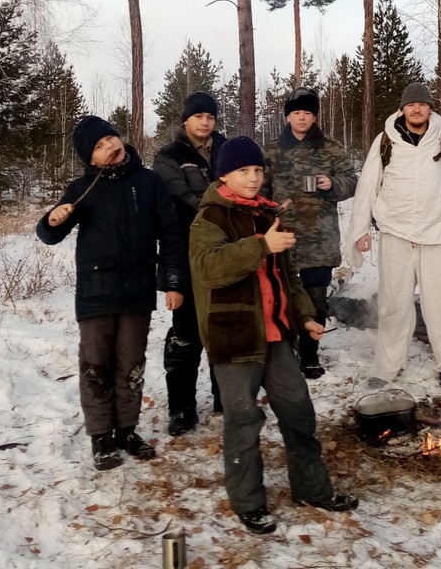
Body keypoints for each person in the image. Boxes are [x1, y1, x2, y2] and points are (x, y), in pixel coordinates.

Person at [189, 136, 358, 535]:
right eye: (243, 171)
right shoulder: (209, 219)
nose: (252, 177)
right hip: (235, 337)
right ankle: (248, 502)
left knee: (298, 411)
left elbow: (289, 279)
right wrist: (260, 246)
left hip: (277, 335)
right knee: (243, 420)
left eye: (257, 170)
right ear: (224, 175)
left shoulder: (268, 215)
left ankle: (312, 488)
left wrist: (305, 318)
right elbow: (209, 268)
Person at [36, 115, 185, 470]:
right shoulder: (81, 189)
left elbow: (172, 234)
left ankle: (126, 430)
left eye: (111, 139)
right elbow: (50, 233)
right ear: (91, 159)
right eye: (100, 147)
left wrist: (174, 281)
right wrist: (52, 220)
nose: (110, 148)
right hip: (96, 292)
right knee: (96, 365)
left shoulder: (148, 182)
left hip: (138, 291)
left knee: (130, 364)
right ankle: (101, 436)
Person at [344, 82, 441, 390]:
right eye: (411, 104)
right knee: (392, 303)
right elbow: (367, 187)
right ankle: (387, 365)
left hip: (438, 233)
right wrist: (359, 230)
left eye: (422, 104)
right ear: (403, 108)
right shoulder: (386, 141)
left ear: (430, 109)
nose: (416, 109)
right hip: (396, 232)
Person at [263, 87, 358, 379]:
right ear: (287, 116)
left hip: (320, 238)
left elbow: (353, 182)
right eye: (296, 113)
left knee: (316, 300)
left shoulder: (331, 148)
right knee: (282, 297)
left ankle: (309, 356)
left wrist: (333, 184)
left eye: (307, 113)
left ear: (314, 116)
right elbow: (258, 189)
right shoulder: (271, 150)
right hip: (283, 239)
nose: (302, 118)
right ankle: (284, 355)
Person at [152, 91, 227, 436]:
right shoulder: (169, 157)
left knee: (225, 327)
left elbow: (251, 183)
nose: (205, 122)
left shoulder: (227, 149)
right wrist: (225, 208)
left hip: (227, 251)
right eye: (198, 116)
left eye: (210, 117)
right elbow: (179, 199)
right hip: (187, 252)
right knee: (186, 333)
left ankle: (226, 397)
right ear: (185, 120)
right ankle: (181, 408)